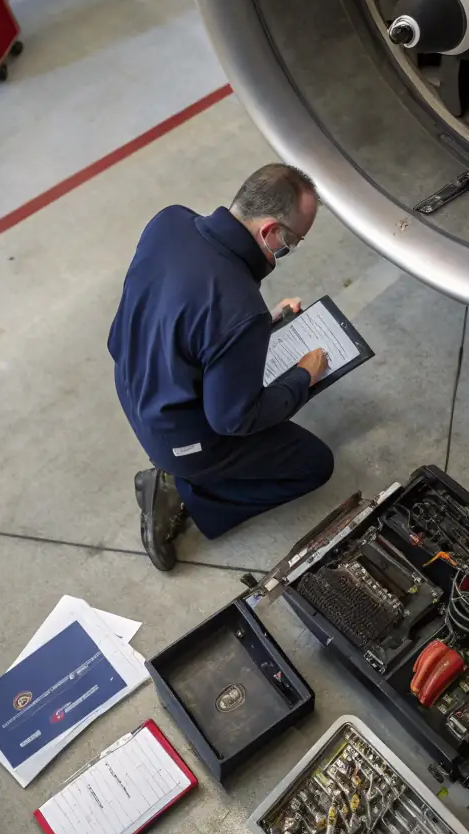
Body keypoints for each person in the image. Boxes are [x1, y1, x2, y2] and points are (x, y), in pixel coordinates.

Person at [108, 164, 333, 570]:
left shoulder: (169, 221)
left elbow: (186, 315)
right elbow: (235, 419)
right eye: (294, 240)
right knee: (314, 465)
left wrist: (264, 324)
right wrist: (303, 377)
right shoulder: (239, 307)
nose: (291, 249)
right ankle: (178, 492)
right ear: (270, 232)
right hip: (177, 438)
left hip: (131, 384)